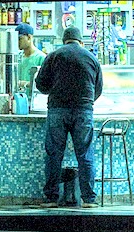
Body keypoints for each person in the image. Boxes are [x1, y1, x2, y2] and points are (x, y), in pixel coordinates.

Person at [34, 26, 104, 207]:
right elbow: (98, 89)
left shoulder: (54, 55)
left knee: (54, 154)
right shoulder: (92, 58)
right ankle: (89, 199)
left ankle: (51, 197)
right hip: (83, 110)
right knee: (85, 154)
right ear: (81, 41)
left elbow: (41, 84)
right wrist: (85, 101)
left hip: (57, 110)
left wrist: (55, 90)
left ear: (64, 40)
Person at [15, 22, 44, 94]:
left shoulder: (41, 58)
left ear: (29, 37)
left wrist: (23, 84)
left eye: (20, 39)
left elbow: (43, 84)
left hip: (33, 101)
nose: (17, 42)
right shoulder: (17, 57)